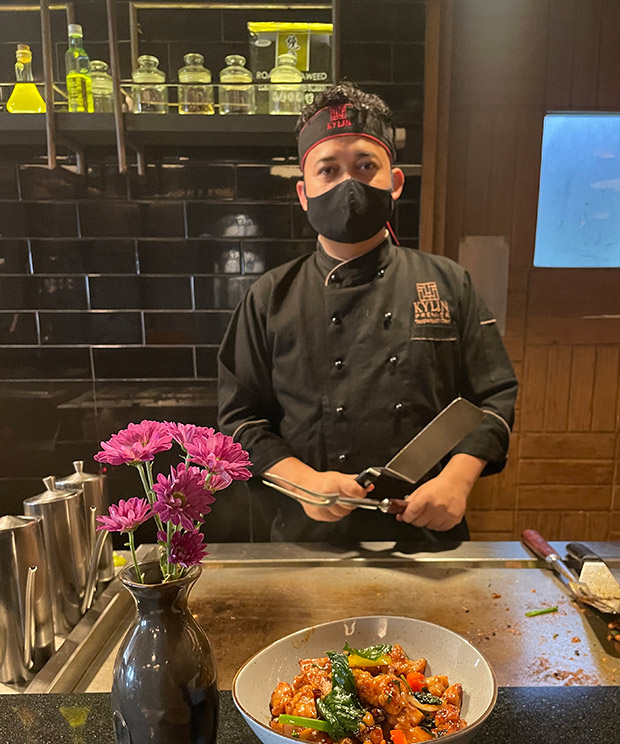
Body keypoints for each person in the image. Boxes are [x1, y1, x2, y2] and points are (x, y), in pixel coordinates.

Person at [217, 83, 517, 547]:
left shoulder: (447, 283)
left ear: (394, 182)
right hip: (309, 542)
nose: (348, 184)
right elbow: (240, 420)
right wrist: (303, 481)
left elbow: (493, 397)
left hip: (427, 539)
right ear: (304, 193)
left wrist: (458, 479)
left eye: (364, 166)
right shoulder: (269, 297)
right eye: (328, 170)